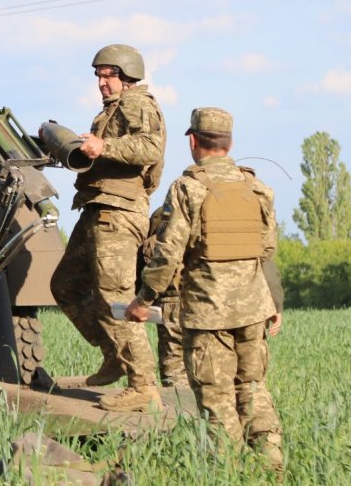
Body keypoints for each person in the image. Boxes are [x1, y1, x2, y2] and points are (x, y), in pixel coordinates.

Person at [126, 107, 284, 472]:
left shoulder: (188, 188)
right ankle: (271, 466)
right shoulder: (259, 188)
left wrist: (143, 299)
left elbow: (168, 252)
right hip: (252, 311)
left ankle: (228, 474)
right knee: (253, 388)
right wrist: (274, 302)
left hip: (207, 313)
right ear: (229, 144)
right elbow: (268, 252)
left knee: (216, 398)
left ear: (193, 141)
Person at [49, 43, 166, 412]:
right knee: (65, 285)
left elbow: (150, 147)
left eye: (108, 75)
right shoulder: (114, 108)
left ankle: (143, 385)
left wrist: (103, 147)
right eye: (98, 75)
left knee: (117, 299)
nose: (101, 82)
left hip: (118, 211)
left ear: (127, 76)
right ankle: (115, 355)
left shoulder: (137, 103)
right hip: (97, 207)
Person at [144, 204, 187, 388]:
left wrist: (143, 298)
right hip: (215, 300)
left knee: (175, 366)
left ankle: (182, 413)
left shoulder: (165, 214)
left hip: (173, 298)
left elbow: (150, 252)